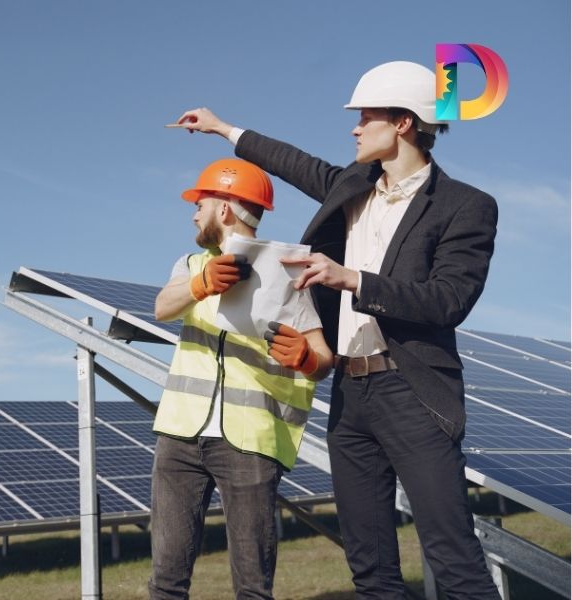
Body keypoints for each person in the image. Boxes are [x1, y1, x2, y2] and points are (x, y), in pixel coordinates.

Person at [169, 61, 500, 598]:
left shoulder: (466, 206)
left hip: (413, 392)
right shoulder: (351, 187)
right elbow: (293, 162)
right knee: (370, 568)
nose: (354, 128)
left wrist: (354, 279)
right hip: (350, 395)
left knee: (453, 557)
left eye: (366, 117)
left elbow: (450, 300)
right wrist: (223, 127)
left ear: (403, 124)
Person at [150, 157, 333, 599]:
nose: (194, 212)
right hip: (179, 436)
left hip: (251, 441)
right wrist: (200, 285)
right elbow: (161, 307)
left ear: (226, 208)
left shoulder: (291, 271)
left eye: (201, 202)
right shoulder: (191, 264)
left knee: (252, 585)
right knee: (166, 580)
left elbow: (324, 357)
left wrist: (308, 358)